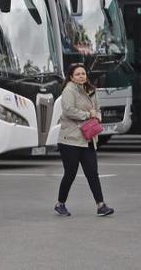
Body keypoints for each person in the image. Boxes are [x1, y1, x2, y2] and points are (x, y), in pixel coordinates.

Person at [54, 63, 115, 217]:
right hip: (70, 140)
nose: (81, 76)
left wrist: (97, 116)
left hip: (88, 138)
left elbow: (98, 110)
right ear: (71, 77)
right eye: (78, 74)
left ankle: (101, 205)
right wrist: (88, 115)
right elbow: (68, 110)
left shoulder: (91, 90)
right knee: (70, 173)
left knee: (92, 172)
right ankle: (60, 203)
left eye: (83, 73)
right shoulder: (69, 90)